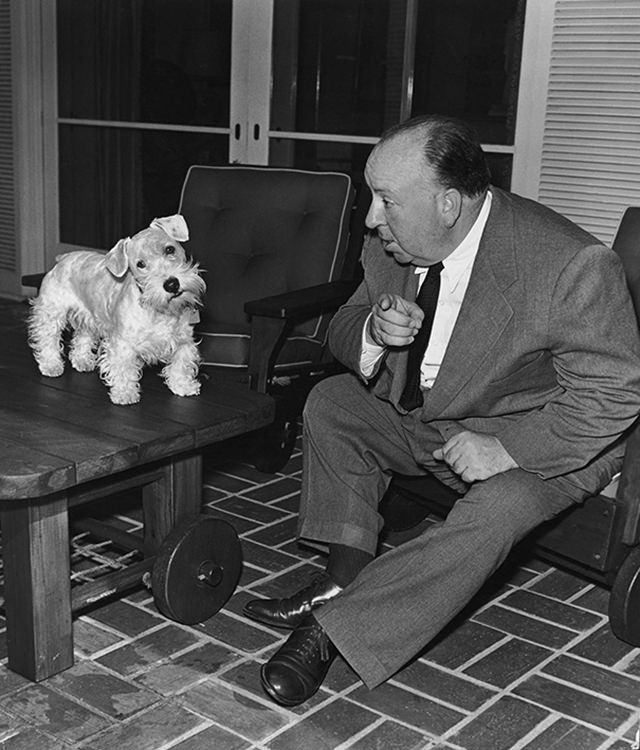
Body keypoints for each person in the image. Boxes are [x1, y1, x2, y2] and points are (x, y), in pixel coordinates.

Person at [244, 114, 640, 707]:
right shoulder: (397, 240)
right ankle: (343, 576)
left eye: (386, 201)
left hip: (540, 437)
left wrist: (507, 449)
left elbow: (615, 392)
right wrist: (375, 333)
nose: (372, 218)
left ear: (449, 205)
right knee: (331, 401)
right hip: (430, 419)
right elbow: (344, 326)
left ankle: (333, 631)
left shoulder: (568, 265)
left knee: (501, 507)